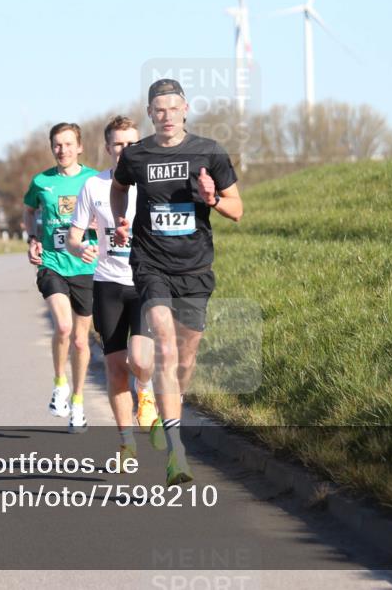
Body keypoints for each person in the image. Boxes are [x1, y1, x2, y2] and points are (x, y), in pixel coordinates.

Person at [110, 79, 243, 485]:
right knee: (165, 347)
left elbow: (237, 209)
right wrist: (120, 219)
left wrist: (212, 199)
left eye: (173, 108)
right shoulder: (136, 155)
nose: (166, 116)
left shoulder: (209, 151)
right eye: (159, 109)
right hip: (151, 264)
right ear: (150, 114)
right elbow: (119, 187)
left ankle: (171, 406)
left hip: (196, 267)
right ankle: (176, 453)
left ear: (185, 109)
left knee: (185, 359)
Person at [68, 116, 158, 462]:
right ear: (107, 148)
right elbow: (74, 236)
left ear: (140, 146)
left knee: (141, 360)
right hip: (108, 284)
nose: (124, 150)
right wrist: (80, 248)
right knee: (116, 368)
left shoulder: (150, 183)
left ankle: (145, 390)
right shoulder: (93, 186)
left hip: (145, 282)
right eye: (118, 144)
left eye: (131, 144)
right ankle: (126, 443)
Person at [23, 122, 98, 433]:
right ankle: (59, 384)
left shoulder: (94, 180)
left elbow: (113, 213)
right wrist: (32, 237)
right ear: (51, 147)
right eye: (57, 144)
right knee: (64, 326)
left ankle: (78, 403)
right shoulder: (41, 181)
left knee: (81, 340)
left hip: (86, 266)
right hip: (52, 264)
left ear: (79, 147)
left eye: (68, 144)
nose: (62, 150)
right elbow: (29, 210)